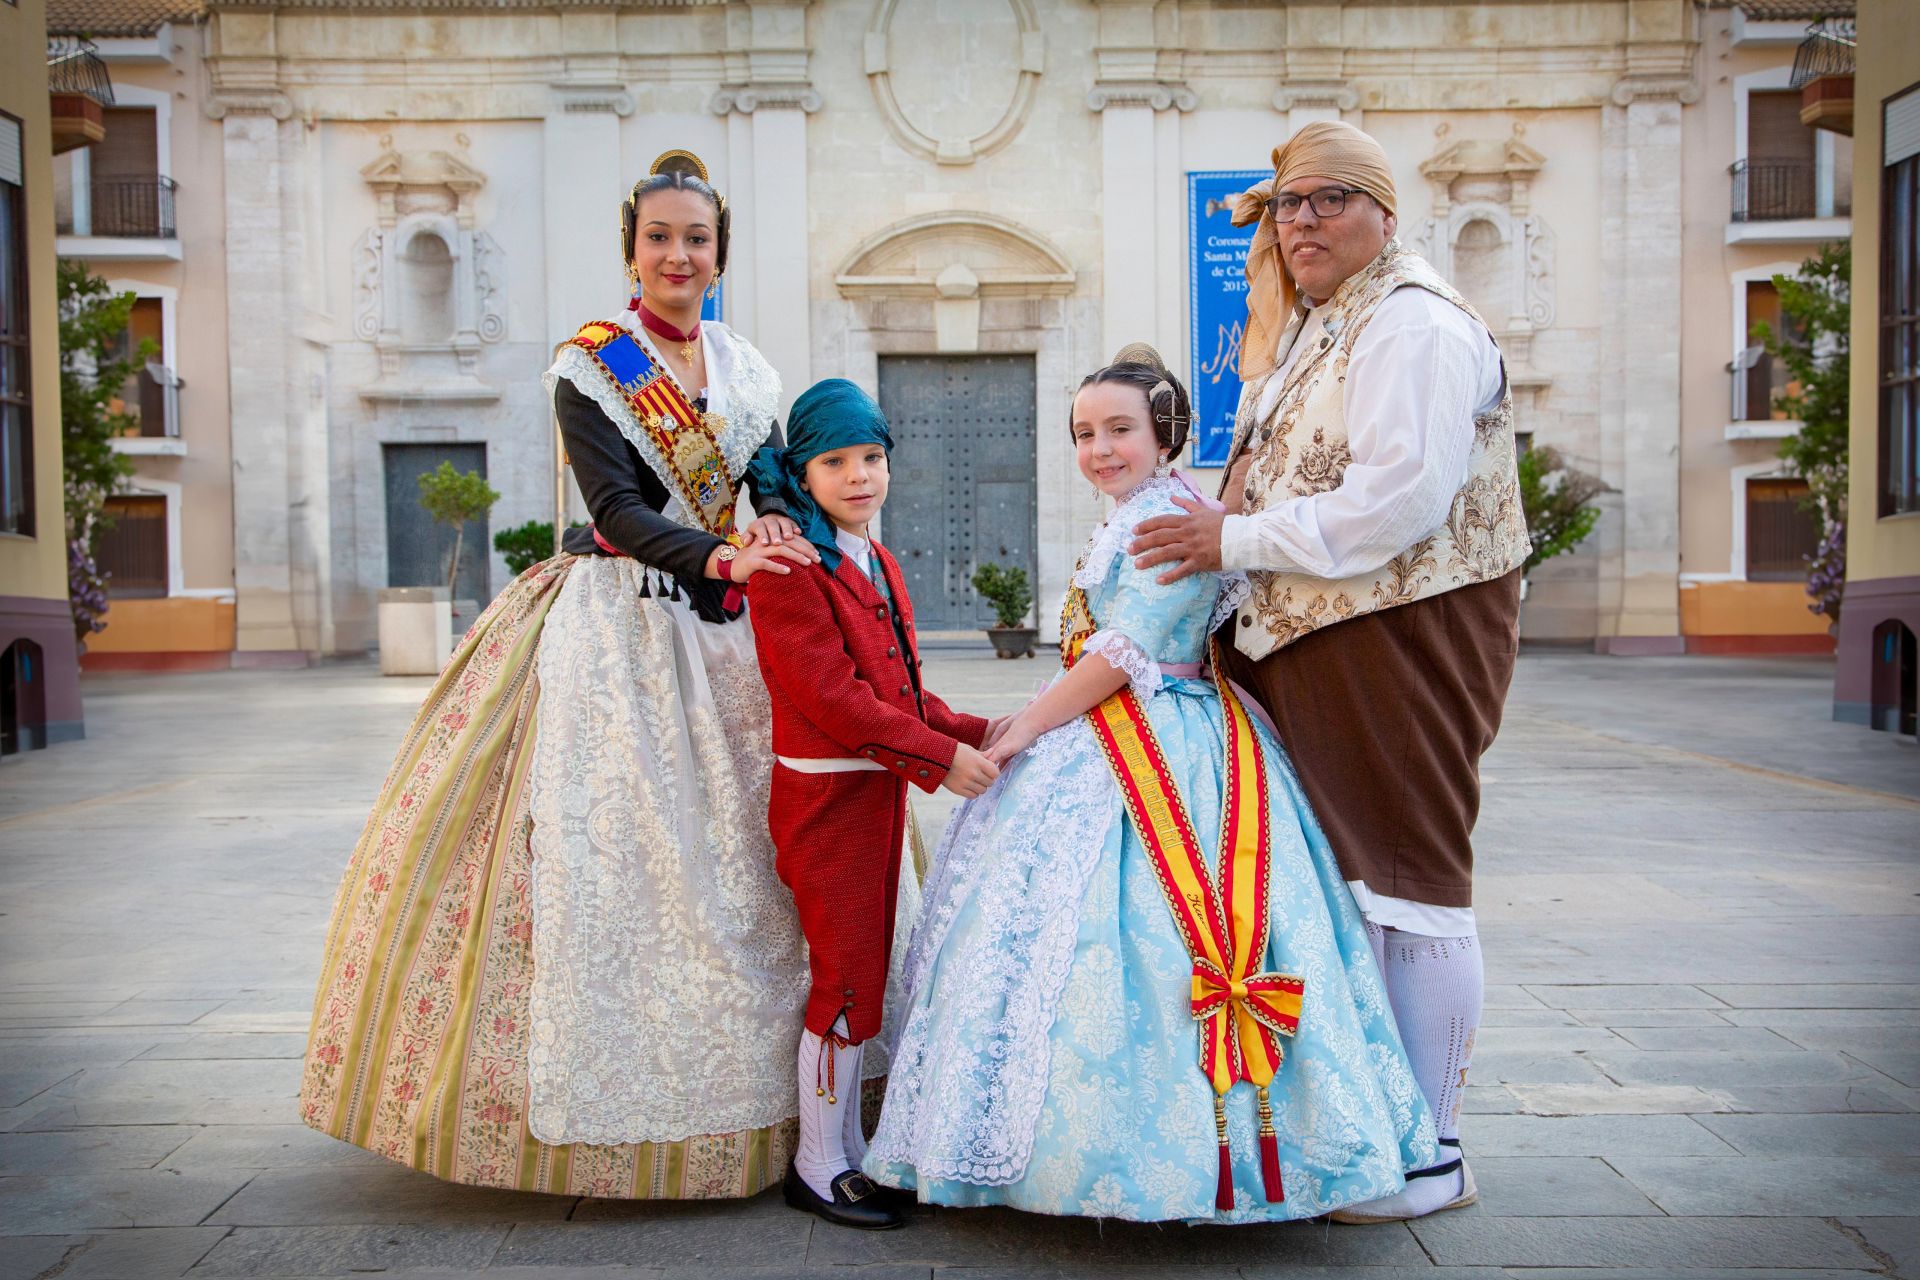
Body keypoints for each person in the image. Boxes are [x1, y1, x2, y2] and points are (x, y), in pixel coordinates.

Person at [299, 149, 836, 1199]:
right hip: (620, 624)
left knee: (753, 859)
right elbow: (618, 514)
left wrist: (771, 517)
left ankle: (783, 1107)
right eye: (660, 238)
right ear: (632, 252)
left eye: (697, 239)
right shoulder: (592, 365)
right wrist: (722, 553)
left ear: (719, 253)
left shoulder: (748, 368)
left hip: (733, 634)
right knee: (625, 860)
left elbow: (768, 476)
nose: (679, 255)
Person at [864, 347, 1436, 1224]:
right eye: (1084, 433)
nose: (1099, 448)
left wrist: (1027, 724)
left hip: (1161, 740)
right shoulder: (1144, 509)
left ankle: (1174, 1160)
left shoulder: (1166, 516)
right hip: (1126, 728)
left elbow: (1126, 650)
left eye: (1119, 429)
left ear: (1163, 433)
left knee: (1146, 929)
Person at [1127, 121, 1532, 1222]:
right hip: (1315, 637)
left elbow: (1402, 499)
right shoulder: (1318, 325)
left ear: (1384, 215)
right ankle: (1369, 1128)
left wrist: (1232, 544)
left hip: (1403, 632)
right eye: (1287, 204)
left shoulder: (1412, 323)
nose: (1301, 220)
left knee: (1410, 886)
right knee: (1346, 887)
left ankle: (1435, 1151)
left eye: (1329, 200)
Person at [745, 379, 1001, 1229]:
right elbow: (835, 699)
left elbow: (900, 690)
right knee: (847, 982)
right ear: (802, 474)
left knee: (866, 976)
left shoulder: (876, 559)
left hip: (876, 792)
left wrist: (983, 728)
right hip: (826, 802)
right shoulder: (790, 568)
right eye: (834, 461)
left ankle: (849, 1150)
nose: (859, 476)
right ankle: (817, 1167)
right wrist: (942, 760)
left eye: (872, 457)